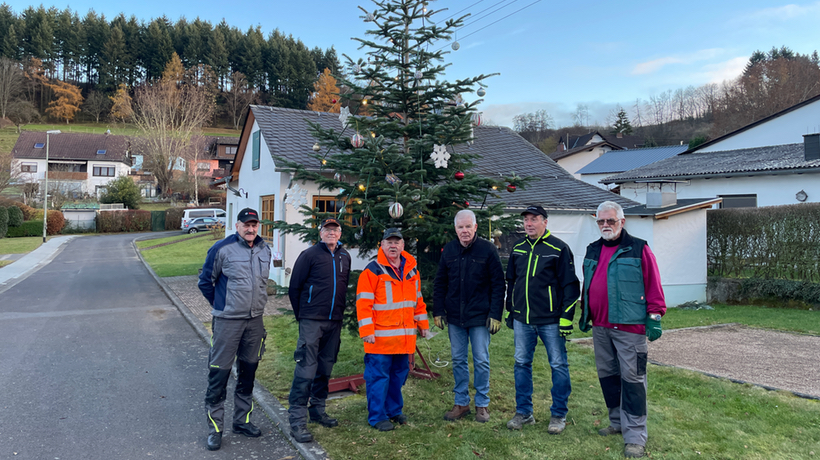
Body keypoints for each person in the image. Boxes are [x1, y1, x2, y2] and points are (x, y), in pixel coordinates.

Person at [579, 201, 666, 459]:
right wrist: (585, 312)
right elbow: (588, 283)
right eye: (601, 221)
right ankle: (617, 422)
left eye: (611, 221)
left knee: (633, 380)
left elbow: (654, 285)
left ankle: (636, 435)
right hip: (601, 326)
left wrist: (655, 315)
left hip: (630, 328)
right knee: (608, 376)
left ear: (622, 222)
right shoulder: (592, 249)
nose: (605, 225)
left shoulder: (639, 248)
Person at [198, 208, 271, 451]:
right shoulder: (221, 249)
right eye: (246, 224)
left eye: (254, 224)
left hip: (254, 322)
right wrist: (222, 305)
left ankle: (242, 421)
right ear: (237, 225)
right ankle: (215, 428)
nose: (251, 229)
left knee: (248, 373)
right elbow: (205, 281)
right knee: (219, 374)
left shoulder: (264, 249)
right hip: (227, 322)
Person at [505, 205, 580, 434]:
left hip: (550, 321)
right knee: (521, 364)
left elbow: (571, 286)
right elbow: (512, 282)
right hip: (523, 320)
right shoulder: (518, 248)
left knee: (558, 365)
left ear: (545, 222)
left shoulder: (558, 248)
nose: (529, 224)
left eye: (534, 219)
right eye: (526, 220)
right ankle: (524, 412)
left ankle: (558, 414)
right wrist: (511, 310)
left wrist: (566, 318)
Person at [433, 210, 505, 423]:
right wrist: (438, 310)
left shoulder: (488, 250)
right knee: (458, 360)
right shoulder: (449, 250)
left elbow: (498, 284)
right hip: (455, 317)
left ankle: (482, 404)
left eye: (468, 227)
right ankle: (461, 402)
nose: (464, 231)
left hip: (480, 317)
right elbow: (440, 282)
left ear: (475, 227)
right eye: (460, 227)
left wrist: (495, 314)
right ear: (455, 229)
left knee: (481, 360)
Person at [356, 228, 429, 431]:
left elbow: (418, 300)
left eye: (397, 242)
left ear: (403, 245)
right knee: (379, 378)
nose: (393, 246)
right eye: (389, 242)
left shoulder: (412, 271)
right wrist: (367, 331)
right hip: (379, 340)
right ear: (382, 245)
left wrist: (423, 324)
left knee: (398, 377)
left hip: (404, 339)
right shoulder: (372, 271)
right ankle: (377, 417)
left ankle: (394, 411)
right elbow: (363, 305)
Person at [286, 218, 351, 443]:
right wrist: (303, 315)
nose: (331, 233)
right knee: (306, 369)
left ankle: (318, 410)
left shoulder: (345, 256)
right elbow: (294, 288)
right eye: (327, 230)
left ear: (340, 233)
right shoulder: (309, 255)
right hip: (312, 320)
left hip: (335, 321)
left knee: (325, 367)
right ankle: (297, 419)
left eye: (335, 230)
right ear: (320, 233)